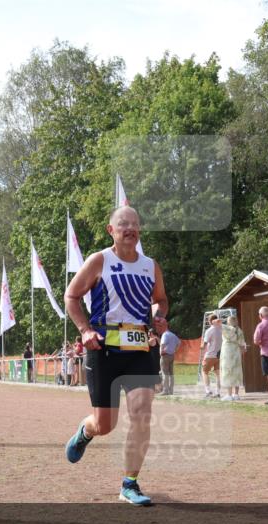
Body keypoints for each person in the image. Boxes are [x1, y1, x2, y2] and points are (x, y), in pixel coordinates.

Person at [62, 206, 168, 506]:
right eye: (123, 224)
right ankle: (86, 431)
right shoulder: (100, 261)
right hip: (103, 350)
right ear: (111, 230)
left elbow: (160, 301)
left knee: (142, 414)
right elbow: (71, 296)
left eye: (135, 224)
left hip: (139, 348)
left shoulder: (150, 266)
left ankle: (129, 484)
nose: (130, 229)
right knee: (105, 424)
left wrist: (159, 317)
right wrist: (84, 330)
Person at [219, 316, 247, 401]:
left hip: (227, 352)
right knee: (237, 372)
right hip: (236, 351)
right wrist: (242, 351)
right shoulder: (239, 330)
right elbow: (242, 344)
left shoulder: (226, 328)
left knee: (228, 372)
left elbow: (217, 323)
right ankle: (236, 394)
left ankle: (229, 395)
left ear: (228, 322)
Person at [200, 314, 223, 398]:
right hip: (219, 355)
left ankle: (208, 391)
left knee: (204, 372)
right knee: (218, 374)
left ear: (210, 321)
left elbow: (204, 344)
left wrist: (201, 347)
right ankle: (218, 392)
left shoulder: (209, 330)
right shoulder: (222, 329)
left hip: (210, 355)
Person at [158, 320, 180, 395]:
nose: (159, 328)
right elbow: (179, 343)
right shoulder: (173, 335)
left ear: (165, 326)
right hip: (171, 355)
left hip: (165, 355)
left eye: (161, 326)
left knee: (164, 373)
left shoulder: (165, 335)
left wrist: (161, 352)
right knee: (171, 373)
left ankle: (165, 390)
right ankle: (171, 390)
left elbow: (162, 344)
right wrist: (174, 350)